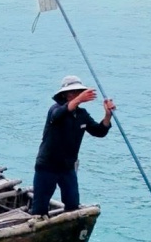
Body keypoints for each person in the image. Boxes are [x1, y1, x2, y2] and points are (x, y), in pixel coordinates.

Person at [28, 75, 114, 215]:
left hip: (67, 167)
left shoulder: (82, 114)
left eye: (78, 92)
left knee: (73, 204)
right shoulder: (55, 110)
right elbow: (58, 114)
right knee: (40, 209)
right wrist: (79, 99)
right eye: (73, 93)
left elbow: (99, 131)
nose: (77, 95)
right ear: (65, 94)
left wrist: (108, 115)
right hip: (47, 166)